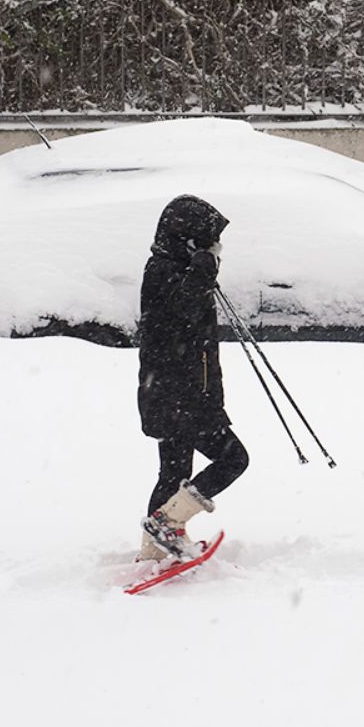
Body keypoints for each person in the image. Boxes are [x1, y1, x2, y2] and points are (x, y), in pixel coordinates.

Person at [136, 195, 250, 561]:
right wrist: (203, 267)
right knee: (233, 460)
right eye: (210, 240)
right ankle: (166, 524)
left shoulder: (176, 268)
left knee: (174, 473)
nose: (218, 248)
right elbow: (181, 314)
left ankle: (153, 549)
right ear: (190, 239)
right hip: (180, 397)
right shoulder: (163, 271)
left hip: (180, 395)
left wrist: (200, 267)